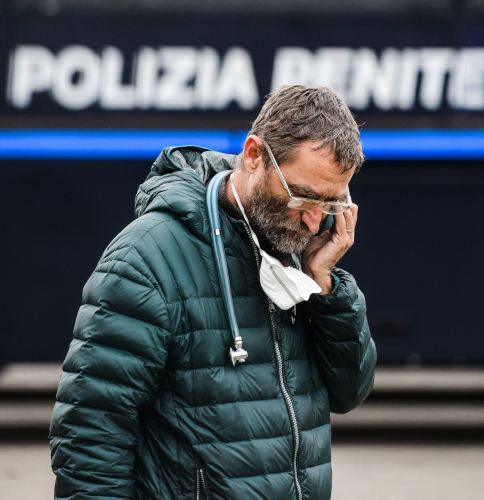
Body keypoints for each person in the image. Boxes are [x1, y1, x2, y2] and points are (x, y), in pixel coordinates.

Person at [49, 85, 377, 499]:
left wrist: (325, 286)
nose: (315, 221)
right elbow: (91, 432)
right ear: (254, 154)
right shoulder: (147, 258)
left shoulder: (301, 248)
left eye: (332, 203)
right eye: (303, 196)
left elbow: (349, 392)